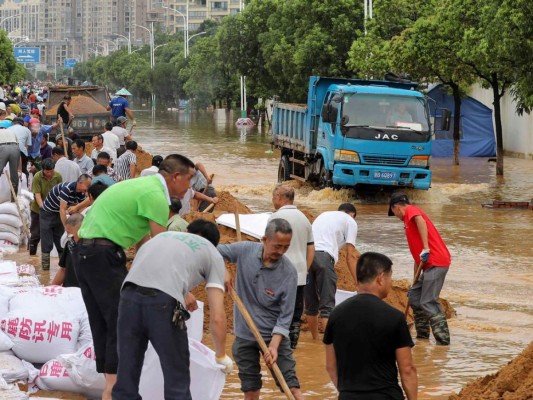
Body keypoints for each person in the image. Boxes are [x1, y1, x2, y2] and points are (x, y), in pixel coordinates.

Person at [75, 154, 196, 399]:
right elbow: (163, 248)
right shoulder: (156, 197)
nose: (190, 187)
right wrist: (184, 290)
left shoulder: (141, 187)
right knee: (122, 320)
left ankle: (109, 383)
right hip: (103, 254)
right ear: (176, 177)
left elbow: (144, 244)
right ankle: (112, 389)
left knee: (103, 321)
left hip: (83, 253)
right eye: (190, 180)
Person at [113, 220, 233, 399]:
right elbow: (217, 316)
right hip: (162, 305)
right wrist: (221, 356)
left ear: (187, 230)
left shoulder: (160, 237)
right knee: (176, 376)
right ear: (214, 244)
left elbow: (150, 272)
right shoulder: (211, 252)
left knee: (126, 375)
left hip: (127, 298)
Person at [218, 219, 304, 400]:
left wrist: (274, 346)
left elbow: (285, 316)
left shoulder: (288, 272)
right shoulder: (244, 251)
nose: (280, 252)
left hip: (274, 337)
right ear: (265, 239)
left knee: (292, 388)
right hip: (244, 335)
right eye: (277, 246)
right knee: (250, 390)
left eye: (286, 247)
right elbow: (211, 251)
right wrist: (223, 269)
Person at [323, 252, 418, 400]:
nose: (390, 283)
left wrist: (348, 392)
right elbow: (407, 370)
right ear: (380, 278)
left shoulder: (336, 315)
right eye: (389, 277)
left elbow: (330, 365)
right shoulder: (395, 317)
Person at [388, 191, 451, 345]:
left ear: (396, 207)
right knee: (415, 297)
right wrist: (415, 278)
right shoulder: (407, 223)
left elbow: (420, 220)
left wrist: (426, 248)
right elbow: (418, 257)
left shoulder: (411, 211)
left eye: (393, 212)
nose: (395, 216)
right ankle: (422, 337)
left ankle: (443, 341)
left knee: (429, 300)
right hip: (426, 265)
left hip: (437, 261)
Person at [269, 184, 314, 349]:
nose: (273, 201)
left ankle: (276, 344)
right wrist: (305, 269)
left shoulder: (275, 218)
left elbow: (268, 246)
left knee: (276, 309)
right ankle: (291, 346)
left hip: (278, 272)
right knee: (295, 312)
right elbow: (311, 248)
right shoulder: (304, 219)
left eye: (274, 197)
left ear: (280, 198)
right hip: (299, 274)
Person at [304, 203, 358, 339]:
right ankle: (327, 346)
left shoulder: (324, 215)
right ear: (352, 215)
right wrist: (358, 282)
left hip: (306, 257)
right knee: (327, 307)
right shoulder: (350, 221)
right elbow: (350, 257)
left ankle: (315, 340)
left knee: (311, 306)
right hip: (324, 258)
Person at [40, 174, 91, 270]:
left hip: (59, 214)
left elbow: (80, 210)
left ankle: (63, 268)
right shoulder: (67, 188)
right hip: (47, 213)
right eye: (87, 186)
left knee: (60, 242)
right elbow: (62, 209)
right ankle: (45, 270)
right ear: (80, 183)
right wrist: (66, 228)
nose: (88, 189)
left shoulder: (81, 193)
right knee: (47, 242)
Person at [29, 158, 62, 256]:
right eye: (47, 171)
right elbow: (37, 194)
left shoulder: (58, 176)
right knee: (36, 234)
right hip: (38, 210)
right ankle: (32, 255)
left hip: (53, 209)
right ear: (43, 170)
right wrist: (43, 208)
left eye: (51, 171)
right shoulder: (37, 177)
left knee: (56, 234)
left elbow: (60, 193)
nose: (49, 174)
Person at [51, 213, 84, 288]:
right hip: (68, 291)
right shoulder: (70, 244)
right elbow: (63, 270)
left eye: (71, 234)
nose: (70, 237)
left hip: (82, 294)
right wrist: (51, 288)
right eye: (68, 233)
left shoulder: (93, 249)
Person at [0, 121, 21, 198]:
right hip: (15, 148)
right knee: (14, 173)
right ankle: (14, 196)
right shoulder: (11, 132)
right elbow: (18, 145)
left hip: (2, 147)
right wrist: (20, 169)